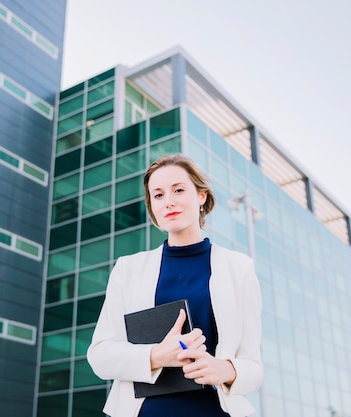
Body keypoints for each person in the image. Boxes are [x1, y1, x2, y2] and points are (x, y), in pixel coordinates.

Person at [87, 153, 263, 417]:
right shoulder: (128, 268)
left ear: (201, 196)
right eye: (158, 195)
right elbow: (99, 355)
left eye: (178, 190)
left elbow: (254, 366)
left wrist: (226, 369)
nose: (168, 202)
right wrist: (157, 355)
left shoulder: (239, 268)